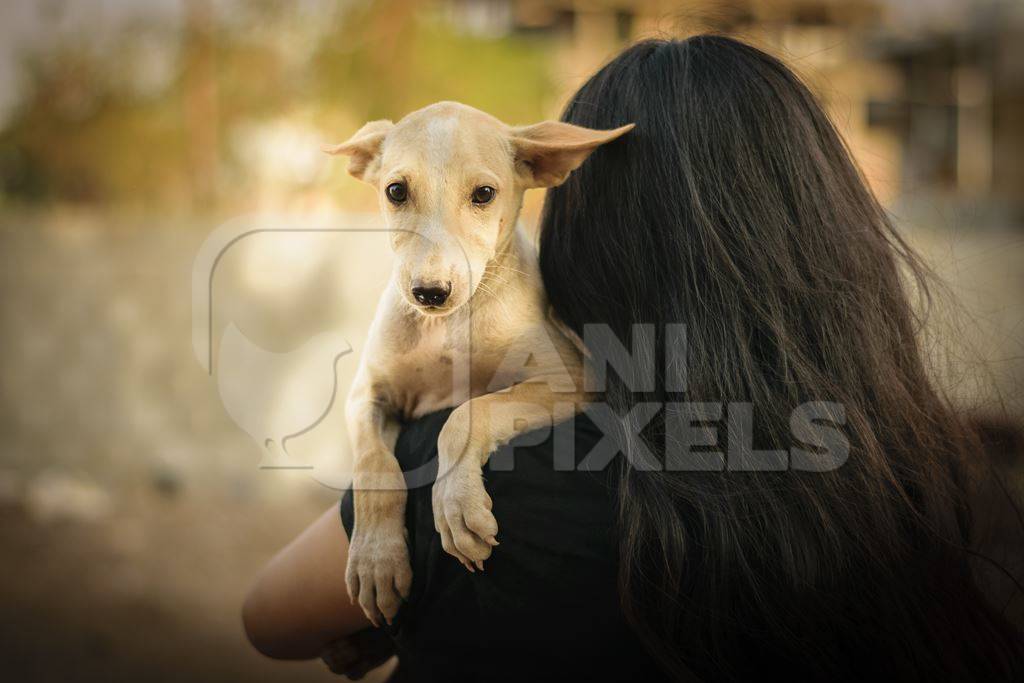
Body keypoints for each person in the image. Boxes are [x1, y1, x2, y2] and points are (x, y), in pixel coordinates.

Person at [242, 35, 1024, 681]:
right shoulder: (908, 471)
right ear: (830, 230)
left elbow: (270, 619)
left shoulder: (472, 466)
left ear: (586, 233)